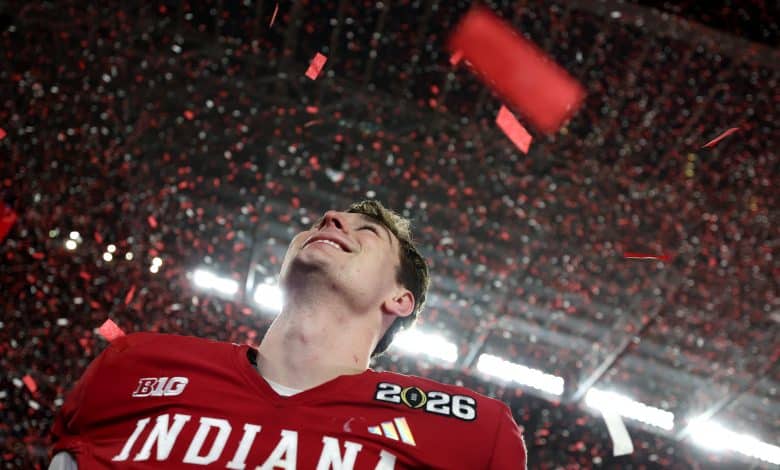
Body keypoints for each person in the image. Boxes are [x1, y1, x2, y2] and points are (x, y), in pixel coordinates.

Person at [50, 200, 527, 469]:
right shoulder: (134, 365)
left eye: (367, 231)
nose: (332, 219)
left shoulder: (469, 433)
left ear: (401, 299)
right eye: (324, 221)